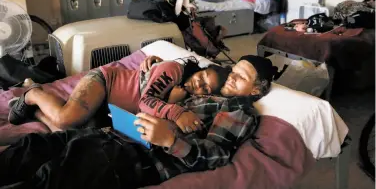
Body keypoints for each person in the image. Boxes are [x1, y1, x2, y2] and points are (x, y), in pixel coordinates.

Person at [0, 55, 278, 189]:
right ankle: (33, 99)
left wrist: (171, 141)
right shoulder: (206, 92)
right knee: (32, 147)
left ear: (256, 90)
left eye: (240, 77)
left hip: (131, 155)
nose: (231, 78)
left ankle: (35, 97)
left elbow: (216, 157)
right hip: (115, 132)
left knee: (52, 178)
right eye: (234, 71)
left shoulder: (237, 112)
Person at [8, 57, 230, 133]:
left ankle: (36, 112)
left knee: (67, 133)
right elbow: (145, 102)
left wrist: (172, 102)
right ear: (198, 69)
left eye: (206, 89)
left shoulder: (186, 95)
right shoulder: (173, 70)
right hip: (105, 83)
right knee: (67, 120)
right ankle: (33, 93)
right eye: (201, 77)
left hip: (112, 111)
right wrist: (176, 111)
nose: (198, 86)